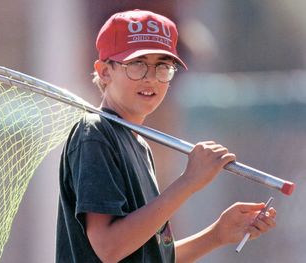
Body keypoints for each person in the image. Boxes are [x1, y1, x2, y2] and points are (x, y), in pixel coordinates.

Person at [55, 9, 276, 263]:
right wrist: (189, 181)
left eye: (162, 66)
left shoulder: (139, 145)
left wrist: (217, 234)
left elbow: (152, 257)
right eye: (137, 64)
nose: (151, 78)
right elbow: (109, 248)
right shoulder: (95, 134)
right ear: (105, 71)